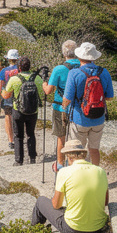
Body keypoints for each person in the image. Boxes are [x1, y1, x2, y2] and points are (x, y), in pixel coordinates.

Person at [31, 139, 108, 233]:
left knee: (41, 201)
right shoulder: (100, 171)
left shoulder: (65, 172)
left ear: (69, 157)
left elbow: (56, 205)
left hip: (74, 229)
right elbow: (105, 202)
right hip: (98, 227)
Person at [63, 42, 113, 166]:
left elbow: (67, 99)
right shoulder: (104, 72)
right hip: (98, 119)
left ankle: (76, 178)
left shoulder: (74, 73)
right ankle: (96, 176)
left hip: (79, 119)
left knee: (76, 151)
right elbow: (109, 97)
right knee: (94, 150)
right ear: (94, 57)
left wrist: (64, 108)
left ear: (79, 57)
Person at [43, 40, 80, 174]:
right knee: (75, 138)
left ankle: (60, 165)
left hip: (60, 108)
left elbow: (48, 91)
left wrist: (44, 84)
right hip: (78, 108)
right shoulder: (82, 66)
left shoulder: (59, 69)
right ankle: (74, 165)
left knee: (61, 137)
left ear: (63, 52)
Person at [3, 57, 45, 166]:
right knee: (31, 134)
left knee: (18, 135)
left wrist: (4, 88)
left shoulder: (14, 79)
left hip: (18, 111)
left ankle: (19, 160)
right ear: (29, 66)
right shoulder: (37, 79)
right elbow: (41, 94)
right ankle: (32, 158)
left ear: (19, 67)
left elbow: (6, 95)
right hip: (33, 111)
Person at [0, 49, 22, 151]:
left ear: (8, 59)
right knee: (20, 118)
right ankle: (19, 138)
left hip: (8, 98)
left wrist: (3, 94)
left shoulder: (3, 71)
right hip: (20, 98)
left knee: (8, 118)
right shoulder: (21, 70)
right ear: (18, 59)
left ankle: (11, 141)